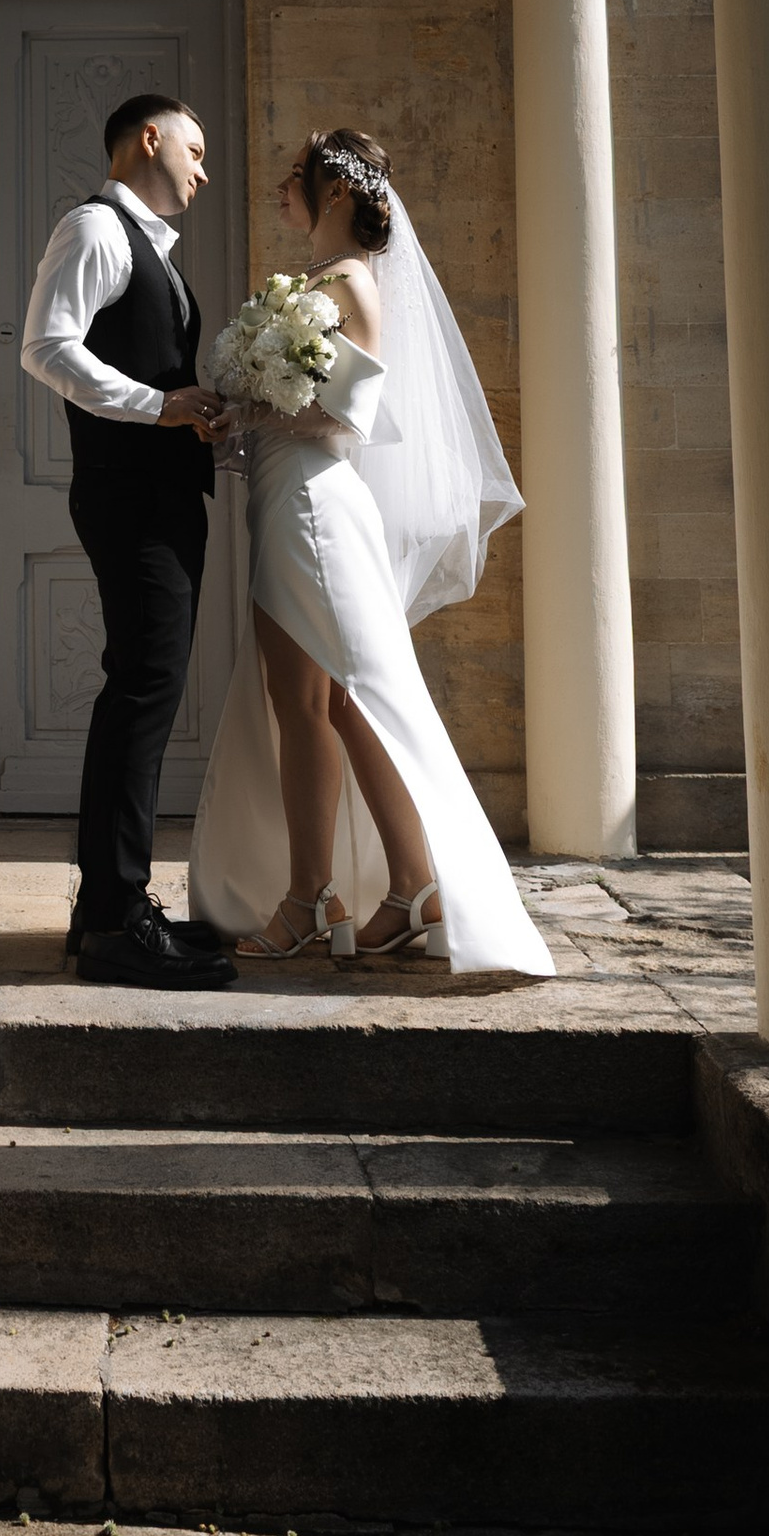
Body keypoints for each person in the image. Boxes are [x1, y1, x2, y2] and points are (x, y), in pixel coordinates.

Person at [189, 127, 554, 980]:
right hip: (286, 499)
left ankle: (319, 898)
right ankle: (407, 888)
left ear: (339, 195)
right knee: (332, 705)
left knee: (330, 702)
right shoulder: (314, 282)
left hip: (312, 507)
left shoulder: (350, 281)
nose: (283, 188)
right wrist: (242, 413)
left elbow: (346, 421)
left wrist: (254, 406)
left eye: (297, 177)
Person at [18, 92, 235, 990]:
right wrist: (158, 405)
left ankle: (106, 908)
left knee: (142, 690)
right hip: (129, 499)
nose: (203, 167)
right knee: (142, 692)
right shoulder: (96, 228)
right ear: (149, 139)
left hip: (157, 494)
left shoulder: (144, 244)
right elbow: (45, 346)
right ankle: (115, 920)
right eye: (193, 146)